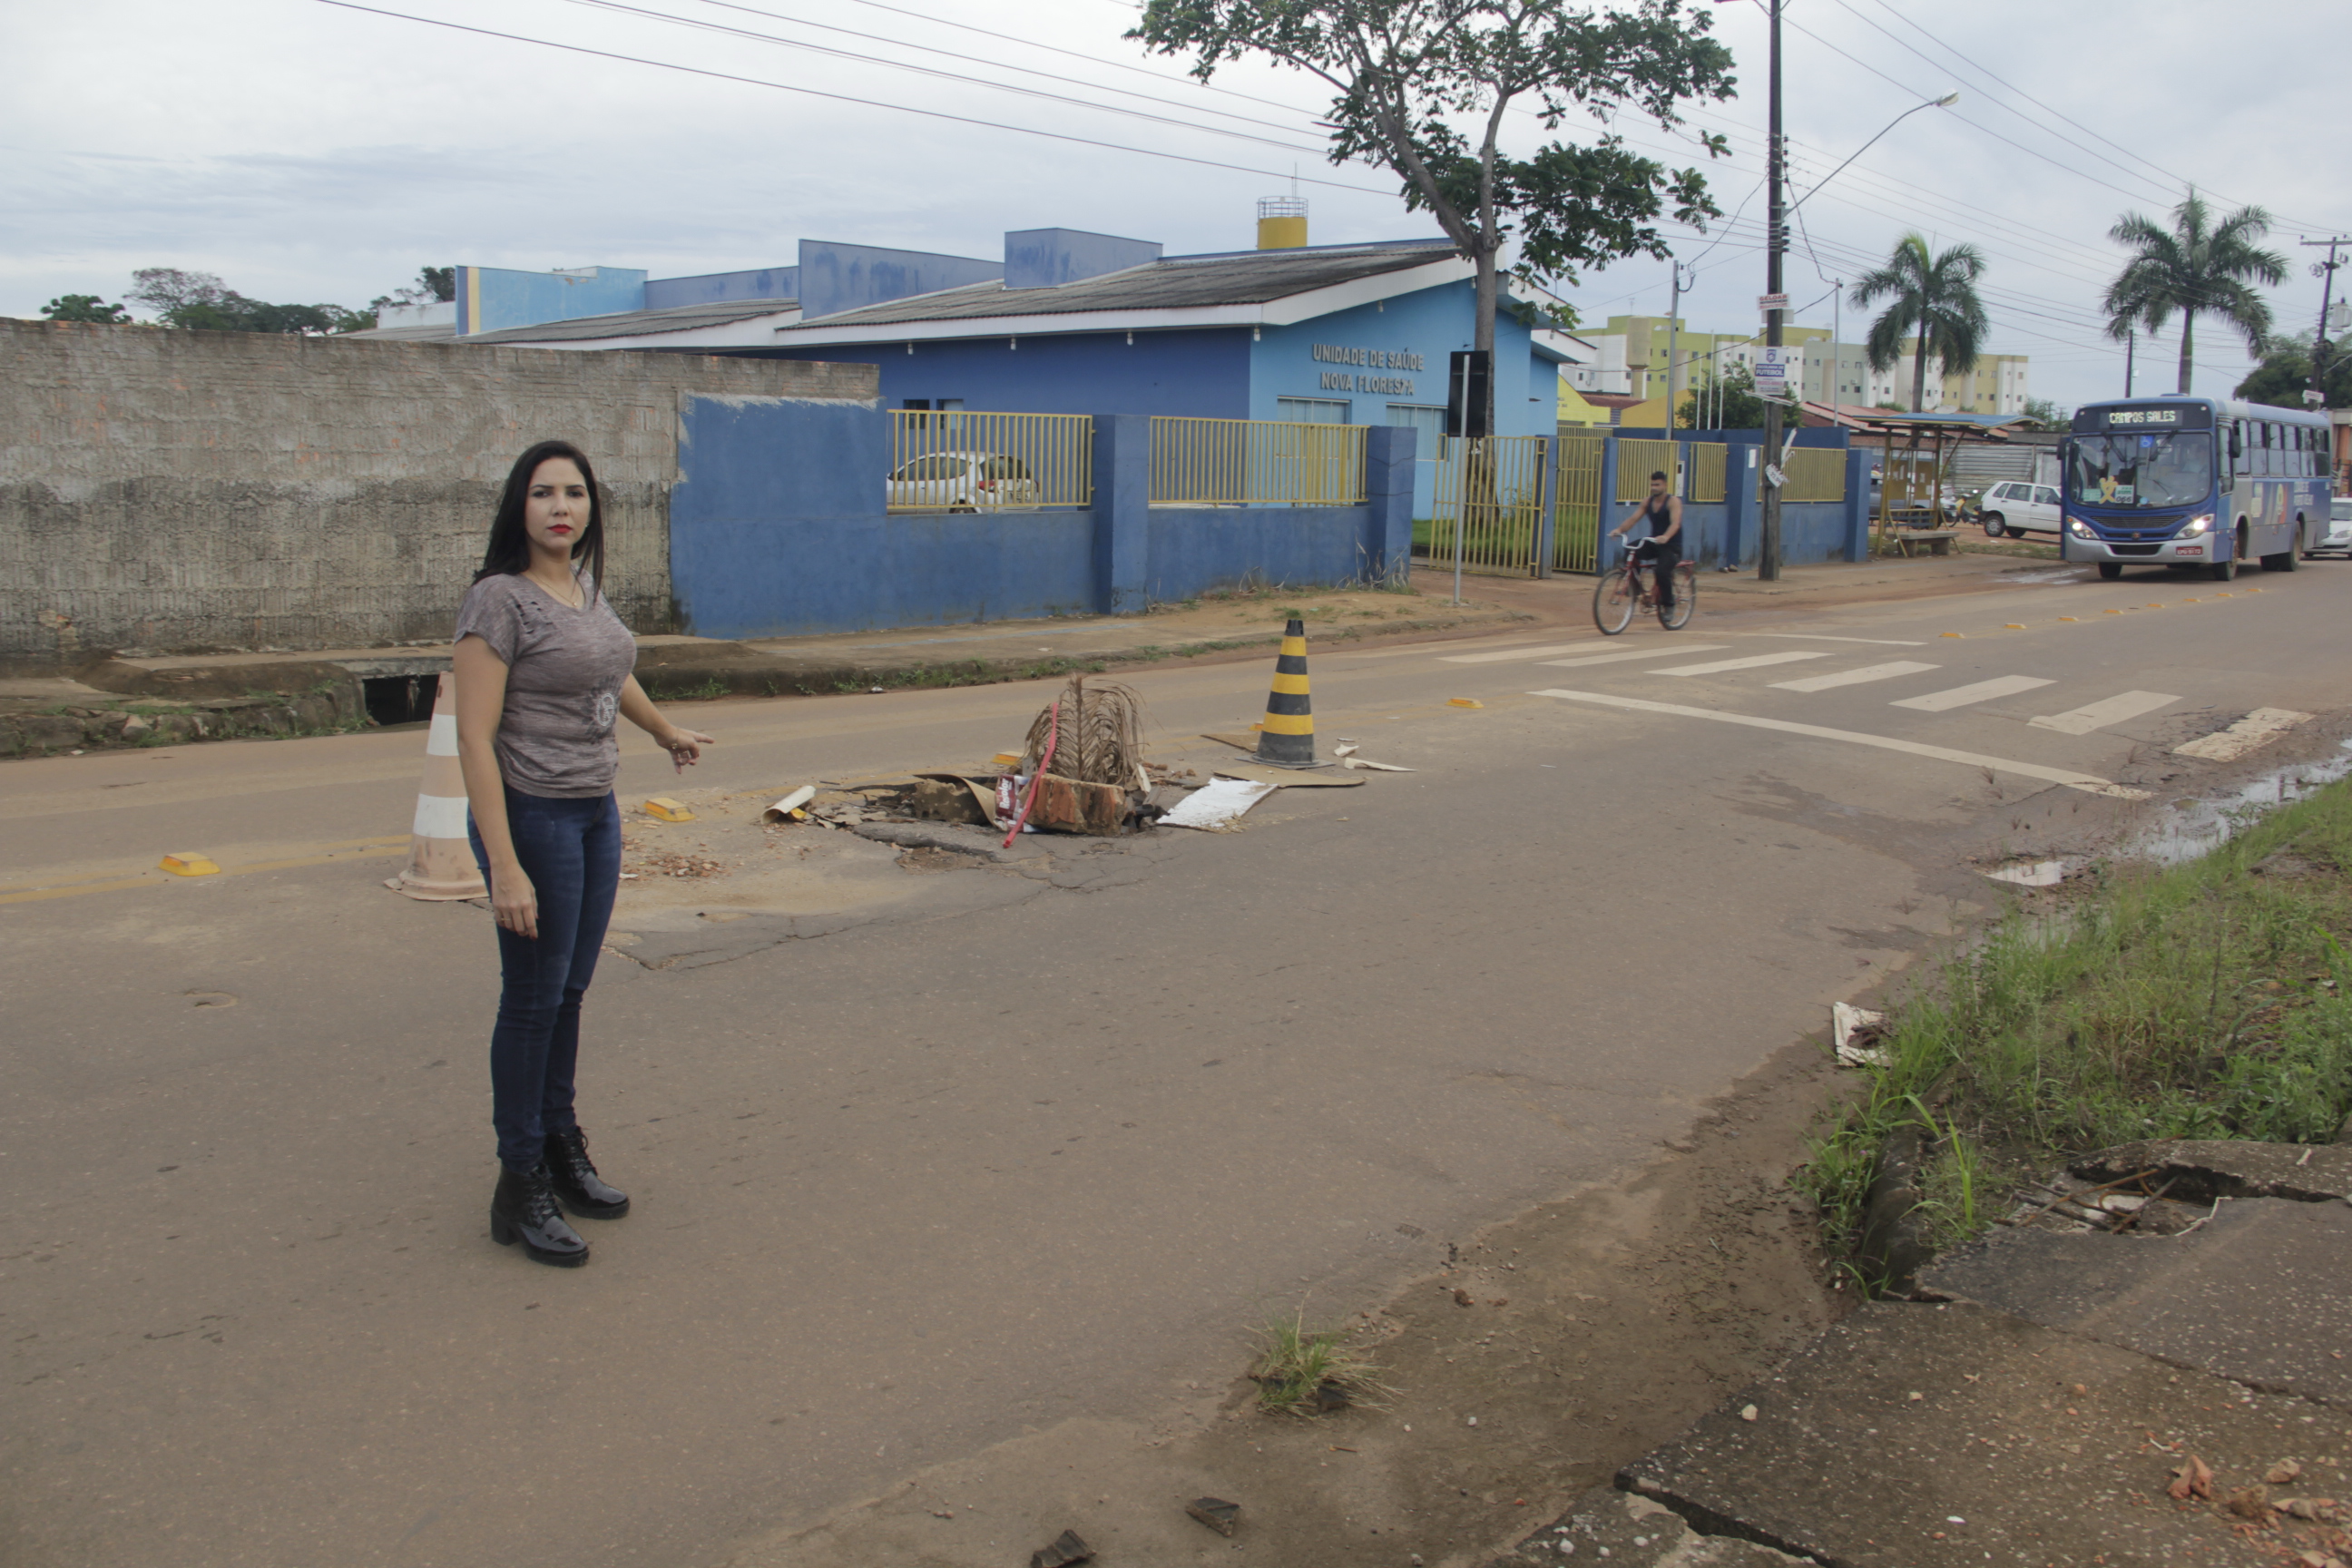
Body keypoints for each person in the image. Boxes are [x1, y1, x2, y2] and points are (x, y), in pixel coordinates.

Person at [452, 439, 715, 1268]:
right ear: (517, 507)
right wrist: (502, 862)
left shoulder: (581, 588)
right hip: (531, 818)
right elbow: (472, 734)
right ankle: (518, 1176)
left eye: (573, 492)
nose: (560, 507)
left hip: (595, 813)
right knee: (531, 1002)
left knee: (567, 993)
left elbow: (612, 671)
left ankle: (560, 1144)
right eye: (542, 494)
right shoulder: (499, 601)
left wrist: (664, 730)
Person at [1611, 470, 1685, 608]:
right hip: (1654, 542)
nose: (1654, 488)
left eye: (1657, 485)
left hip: (1671, 546)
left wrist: (1666, 537)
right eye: (1652, 485)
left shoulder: (1673, 502)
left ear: (1665, 485)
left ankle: (1669, 605)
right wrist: (1619, 530)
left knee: (1661, 572)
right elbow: (1633, 519)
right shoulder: (1647, 502)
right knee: (1630, 550)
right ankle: (1634, 588)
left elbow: (1676, 523)